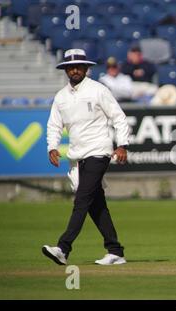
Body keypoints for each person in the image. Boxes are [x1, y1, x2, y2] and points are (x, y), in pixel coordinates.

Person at [43, 49, 130, 266]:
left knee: (82, 199)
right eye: (70, 67)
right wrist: (52, 147)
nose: (74, 70)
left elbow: (119, 117)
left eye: (79, 66)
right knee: (95, 204)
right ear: (65, 70)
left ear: (86, 68)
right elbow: (54, 125)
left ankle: (63, 248)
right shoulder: (61, 96)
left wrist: (122, 145)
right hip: (77, 156)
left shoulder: (98, 90)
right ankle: (115, 250)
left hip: (98, 151)